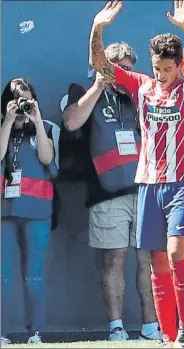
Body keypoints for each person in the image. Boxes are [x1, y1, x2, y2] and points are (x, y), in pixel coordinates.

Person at [88, 0, 184, 347]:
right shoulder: (142, 86)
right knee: (157, 263)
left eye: (166, 68)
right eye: (156, 68)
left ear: (179, 65)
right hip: (148, 184)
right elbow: (99, 64)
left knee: (177, 253)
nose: (160, 74)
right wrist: (97, 27)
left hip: (183, 183)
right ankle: (167, 333)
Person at [62, 42, 160, 341]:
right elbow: (71, 121)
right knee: (114, 258)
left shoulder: (142, 93)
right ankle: (116, 328)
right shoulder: (85, 90)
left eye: (130, 67)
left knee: (148, 259)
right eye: (120, 67)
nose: (125, 72)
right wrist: (100, 83)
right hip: (106, 190)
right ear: (106, 66)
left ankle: (150, 327)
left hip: (144, 188)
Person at [1, 78, 58, 345]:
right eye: (17, 99)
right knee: (3, 274)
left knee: (33, 274)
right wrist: (8, 121)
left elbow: (47, 159)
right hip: (5, 211)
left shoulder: (43, 128)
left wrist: (36, 120)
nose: (23, 104)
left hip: (37, 211)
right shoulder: (4, 127)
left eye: (27, 98)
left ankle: (35, 331)